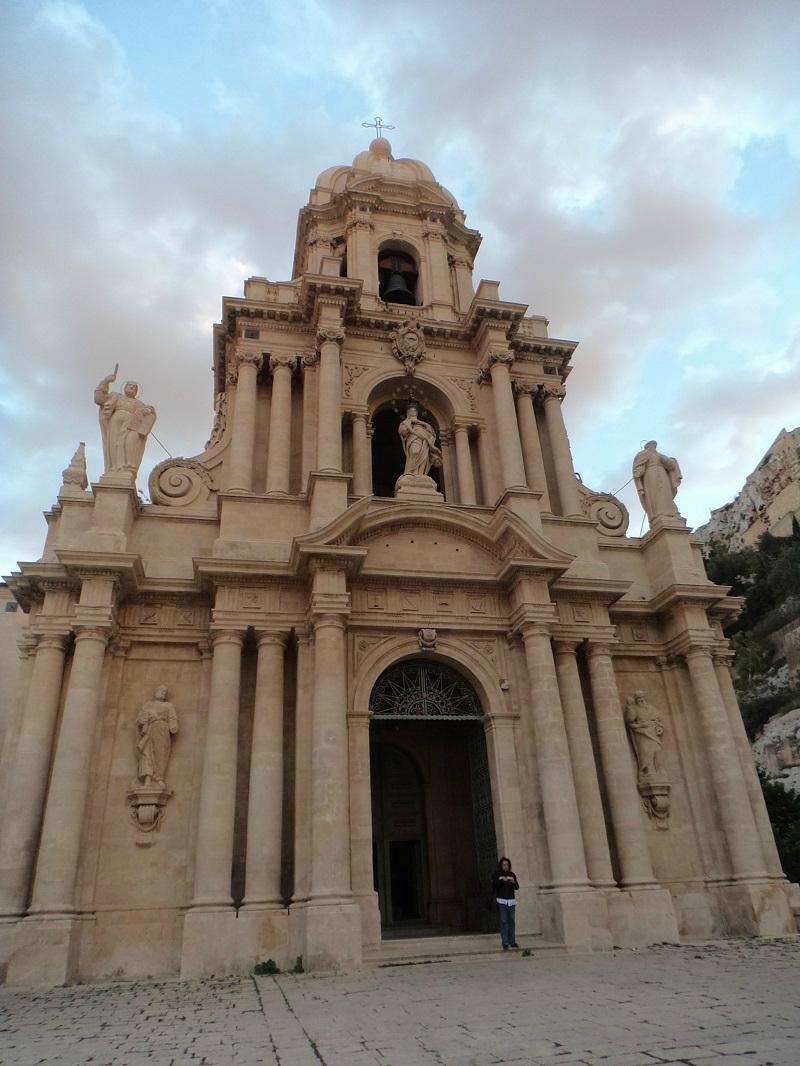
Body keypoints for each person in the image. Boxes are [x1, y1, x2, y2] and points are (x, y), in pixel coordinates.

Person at [94, 363, 157, 476]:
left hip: (131, 425)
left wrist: (149, 410)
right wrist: (106, 381)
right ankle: (113, 469)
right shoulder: (115, 397)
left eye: (134, 387)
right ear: (124, 388)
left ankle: (125, 468)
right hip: (115, 421)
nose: (132, 388)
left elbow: (148, 413)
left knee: (127, 444)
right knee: (114, 443)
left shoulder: (139, 404)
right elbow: (99, 399)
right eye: (130, 386)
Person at [136, 685, 179, 786]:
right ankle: (148, 778)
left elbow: (173, 718)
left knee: (161, 753)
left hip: (163, 729)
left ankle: (159, 777)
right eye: (160, 690)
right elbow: (140, 719)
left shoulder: (169, 706)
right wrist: (143, 720)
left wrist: (173, 726)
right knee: (147, 753)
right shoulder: (148, 705)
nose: (161, 692)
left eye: (164, 691)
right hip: (150, 730)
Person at [631, 440, 682, 522]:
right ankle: (657, 514)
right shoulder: (643, 454)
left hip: (663, 475)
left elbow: (671, 465)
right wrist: (638, 472)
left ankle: (669, 513)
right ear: (648, 446)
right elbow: (640, 466)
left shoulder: (660, 455)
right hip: (650, 475)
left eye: (654, 446)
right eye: (652, 445)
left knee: (665, 493)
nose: (653, 447)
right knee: (654, 494)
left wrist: (660, 456)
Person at [397, 404, 442, 478]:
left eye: (415, 411)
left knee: (424, 457)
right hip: (413, 438)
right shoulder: (405, 422)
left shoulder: (423, 423)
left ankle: (421, 474)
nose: (413, 412)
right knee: (415, 452)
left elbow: (431, 431)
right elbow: (402, 432)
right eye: (411, 411)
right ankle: (409, 471)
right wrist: (410, 428)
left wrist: (422, 424)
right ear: (408, 413)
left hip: (424, 440)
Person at [491, 856, 520, 950]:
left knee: (511, 921)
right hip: (502, 900)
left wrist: (513, 881)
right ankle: (505, 942)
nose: (506, 866)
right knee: (504, 921)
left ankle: (513, 941)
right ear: (501, 865)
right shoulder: (497, 874)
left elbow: (517, 887)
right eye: (504, 864)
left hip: (511, 901)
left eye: (507, 864)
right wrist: (502, 880)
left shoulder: (512, 874)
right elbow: (494, 884)